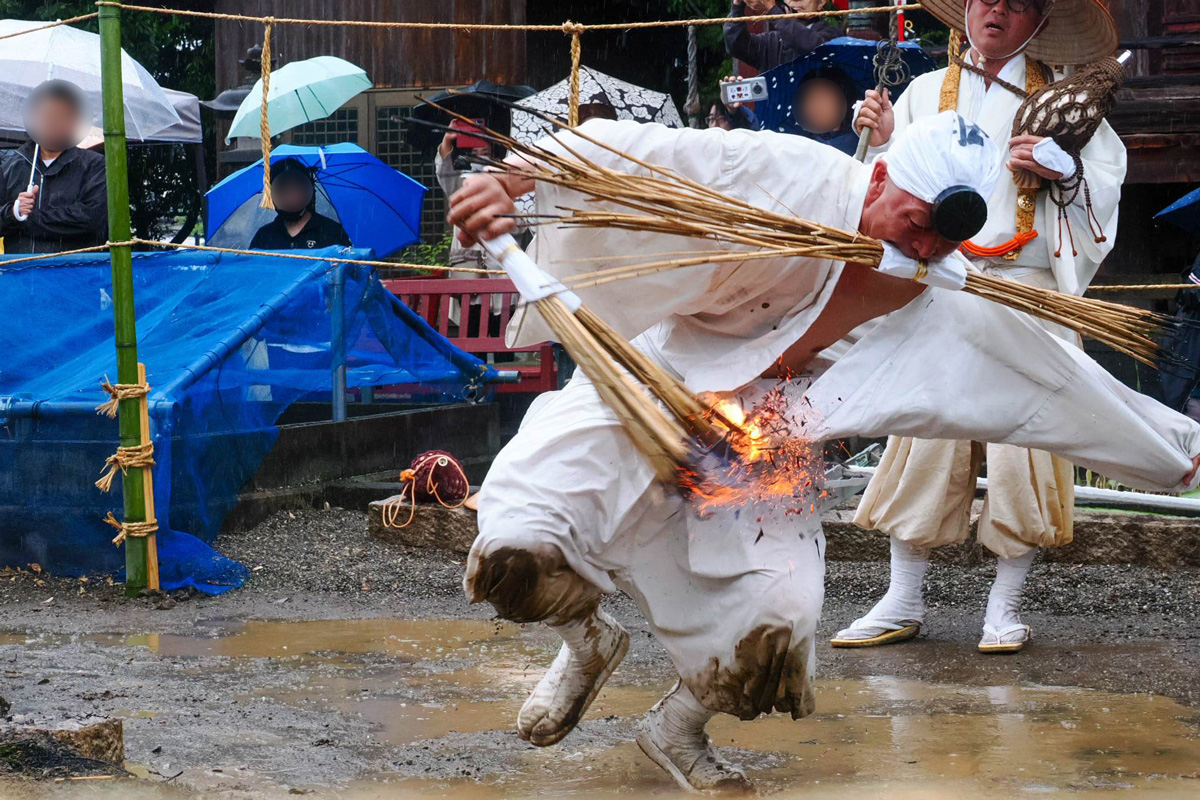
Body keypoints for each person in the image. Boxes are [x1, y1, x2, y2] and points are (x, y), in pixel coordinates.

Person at [445, 113, 1200, 792]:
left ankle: (674, 730)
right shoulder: (783, 173)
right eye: (912, 224)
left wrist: (1177, 454)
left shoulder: (943, 287)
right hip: (648, 376)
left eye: (942, 239)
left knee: (774, 625)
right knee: (518, 547)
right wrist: (508, 180)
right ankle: (585, 645)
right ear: (878, 177)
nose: (923, 247)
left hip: (763, 434)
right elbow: (633, 150)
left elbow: (1052, 377)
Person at [835, 0, 1127, 654]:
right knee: (924, 432)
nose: (997, 11)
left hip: (1029, 287)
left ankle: (1004, 608)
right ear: (963, 10)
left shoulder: (1062, 100)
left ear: (1039, 22)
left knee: (1027, 441)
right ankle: (902, 597)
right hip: (946, 280)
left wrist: (1066, 168)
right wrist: (879, 141)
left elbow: (1104, 185)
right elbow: (883, 190)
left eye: (1017, 3)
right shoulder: (916, 95)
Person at [1, 80, 106, 254]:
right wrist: (13, 211)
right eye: (47, 115)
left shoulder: (94, 165)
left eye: (62, 116)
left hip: (71, 272)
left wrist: (28, 219)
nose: (53, 122)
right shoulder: (9, 165)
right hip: (20, 272)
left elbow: (91, 218)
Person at [249, 158, 350, 250]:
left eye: (296, 188)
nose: (291, 195)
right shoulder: (264, 236)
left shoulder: (332, 232)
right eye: (283, 189)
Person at [724, 0, 842, 72]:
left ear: (821, 2)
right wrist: (737, 6)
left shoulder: (833, 34)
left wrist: (772, 9)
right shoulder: (771, 41)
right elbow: (736, 44)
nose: (796, 0)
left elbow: (810, 45)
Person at [794, 69, 859, 154]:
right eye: (810, 99)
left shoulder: (859, 140)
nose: (815, 106)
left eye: (822, 98)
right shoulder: (801, 144)